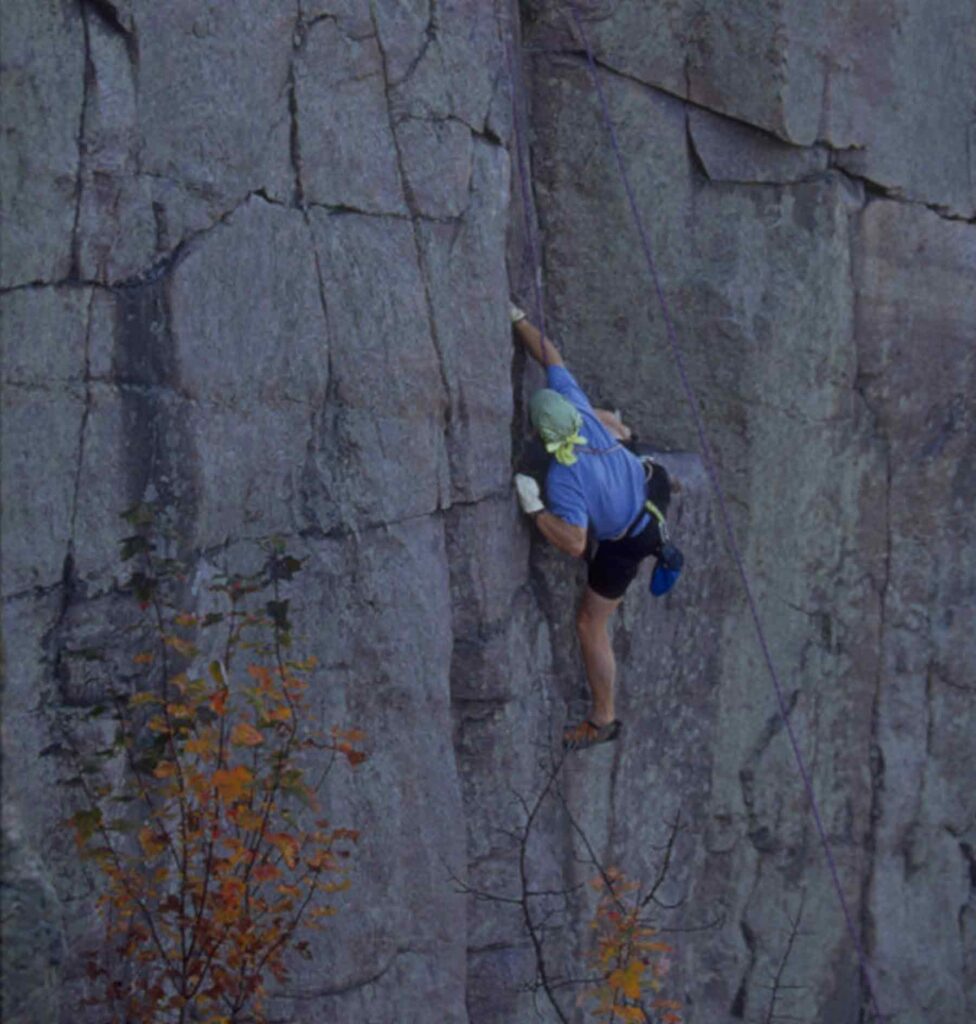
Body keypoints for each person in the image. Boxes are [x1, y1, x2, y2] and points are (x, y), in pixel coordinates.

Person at [510, 302, 682, 751]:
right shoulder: (578, 409)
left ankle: (603, 717)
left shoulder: (565, 477)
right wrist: (520, 321)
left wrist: (534, 510)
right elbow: (551, 358)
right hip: (648, 484)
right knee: (612, 426)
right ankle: (623, 436)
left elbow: (574, 542)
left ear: (544, 438)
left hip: (629, 539)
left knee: (590, 624)